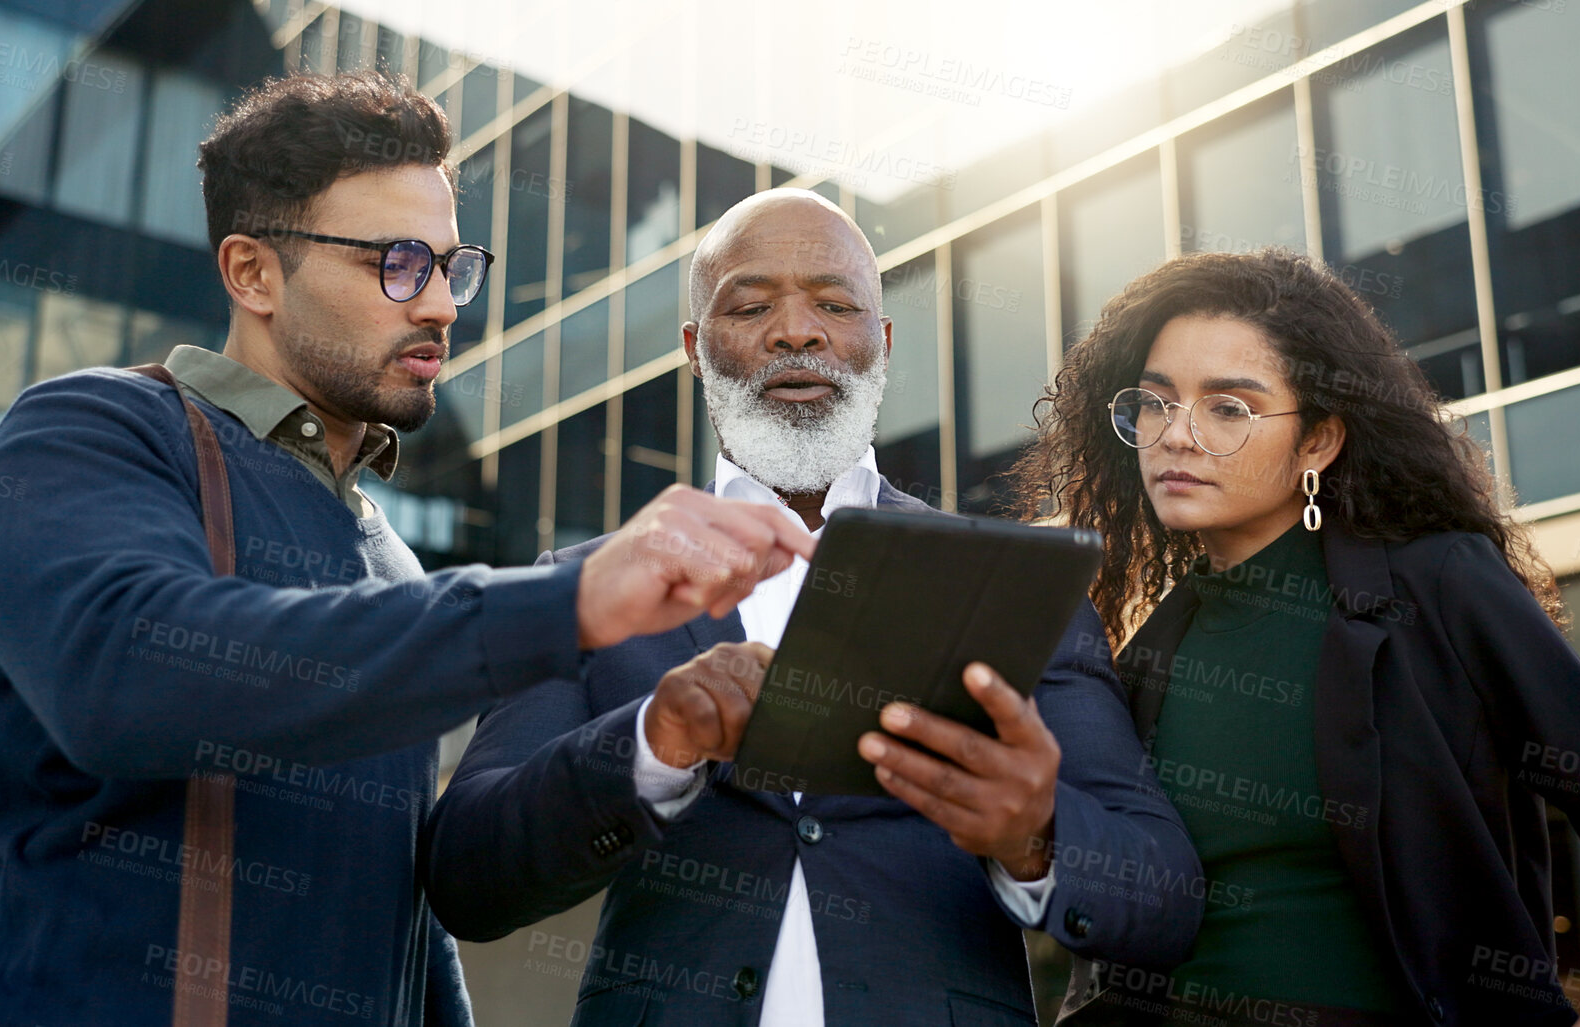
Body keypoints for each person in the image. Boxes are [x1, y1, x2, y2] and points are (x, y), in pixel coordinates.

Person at [0, 73, 811, 1027]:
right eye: (397, 263)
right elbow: (126, 674)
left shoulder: (388, 552)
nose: (441, 304)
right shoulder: (92, 430)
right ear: (252, 273)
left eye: (450, 264)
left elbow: (401, 916)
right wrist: (564, 604)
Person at [423, 189, 1204, 1025]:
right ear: (694, 348)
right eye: (752, 305)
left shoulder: (1009, 580)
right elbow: (468, 876)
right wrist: (652, 741)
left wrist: (1035, 831)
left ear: (883, 340)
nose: (797, 331)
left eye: (834, 304)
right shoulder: (593, 582)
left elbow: (1161, 894)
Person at [1008, 248, 1580, 1026]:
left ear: (1318, 443)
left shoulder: (1436, 584)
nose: (1176, 436)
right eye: (1156, 402)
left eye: (1229, 407)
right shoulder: (1143, 646)